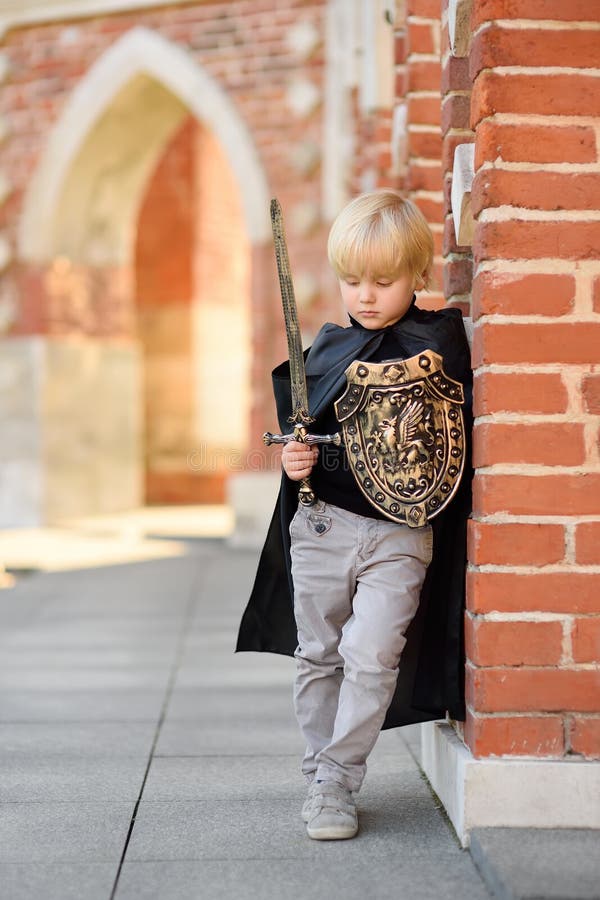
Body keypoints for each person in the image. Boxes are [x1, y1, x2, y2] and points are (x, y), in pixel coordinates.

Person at [236, 189, 472, 842]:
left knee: (370, 655)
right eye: (351, 280)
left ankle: (338, 780)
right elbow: (301, 439)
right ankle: (320, 771)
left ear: (418, 275)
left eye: (383, 280)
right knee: (318, 654)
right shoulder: (330, 348)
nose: (365, 295)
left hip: (401, 532)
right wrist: (296, 465)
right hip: (324, 527)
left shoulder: (442, 343)